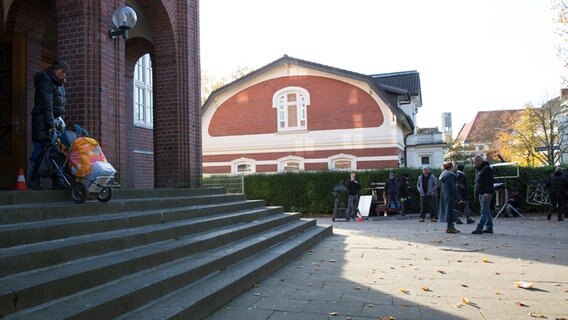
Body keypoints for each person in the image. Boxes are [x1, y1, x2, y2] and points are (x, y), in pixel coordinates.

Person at [29, 59, 69, 190]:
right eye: (62, 72)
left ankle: (57, 180)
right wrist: (51, 123)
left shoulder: (59, 83)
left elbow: (59, 104)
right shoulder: (46, 80)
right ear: (55, 69)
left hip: (55, 120)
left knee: (57, 150)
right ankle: (34, 179)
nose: (63, 75)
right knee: (42, 149)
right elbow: (47, 104)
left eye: (65, 73)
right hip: (43, 121)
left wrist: (59, 120)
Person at [472, 155, 495, 234]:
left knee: (484, 211)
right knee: (486, 210)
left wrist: (487, 192)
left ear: (479, 161)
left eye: (474, 162)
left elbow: (489, 182)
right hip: (481, 192)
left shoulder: (487, 169)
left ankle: (480, 227)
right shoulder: (481, 169)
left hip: (485, 193)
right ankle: (489, 227)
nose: (474, 163)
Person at [438, 162, 462, 233]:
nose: (455, 168)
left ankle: (450, 227)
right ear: (451, 167)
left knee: (448, 212)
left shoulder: (443, 175)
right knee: (451, 212)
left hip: (445, 195)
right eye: (454, 166)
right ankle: (450, 227)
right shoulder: (450, 175)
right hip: (451, 196)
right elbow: (453, 188)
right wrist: (458, 197)